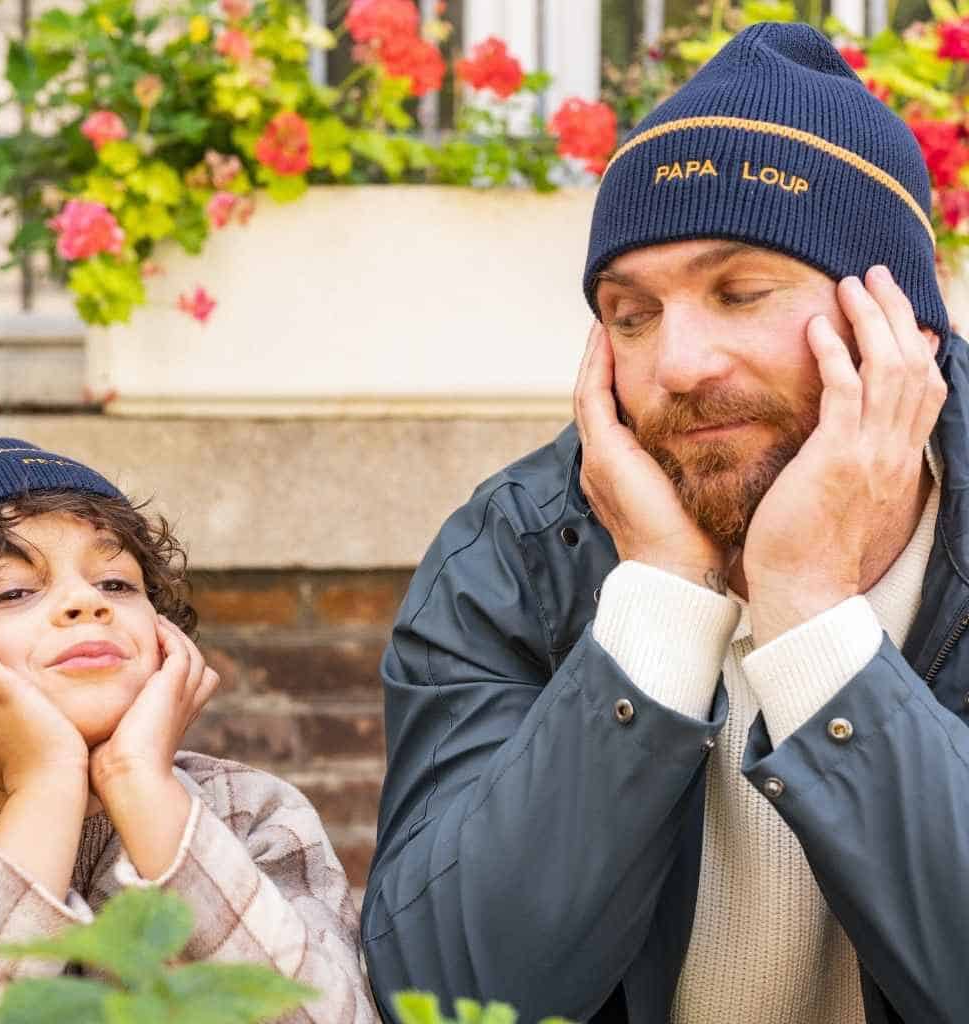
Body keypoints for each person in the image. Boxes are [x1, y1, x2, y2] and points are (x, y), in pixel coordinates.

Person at [361, 21, 969, 1024]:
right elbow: (447, 992)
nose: (678, 364)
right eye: (630, 312)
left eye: (740, 291)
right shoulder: (513, 556)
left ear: (896, 322)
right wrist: (655, 609)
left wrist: (811, 611)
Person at [0, 438, 374, 1024]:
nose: (84, 602)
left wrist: (138, 783)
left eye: (117, 584)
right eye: (13, 591)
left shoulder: (250, 813)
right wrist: (45, 788)